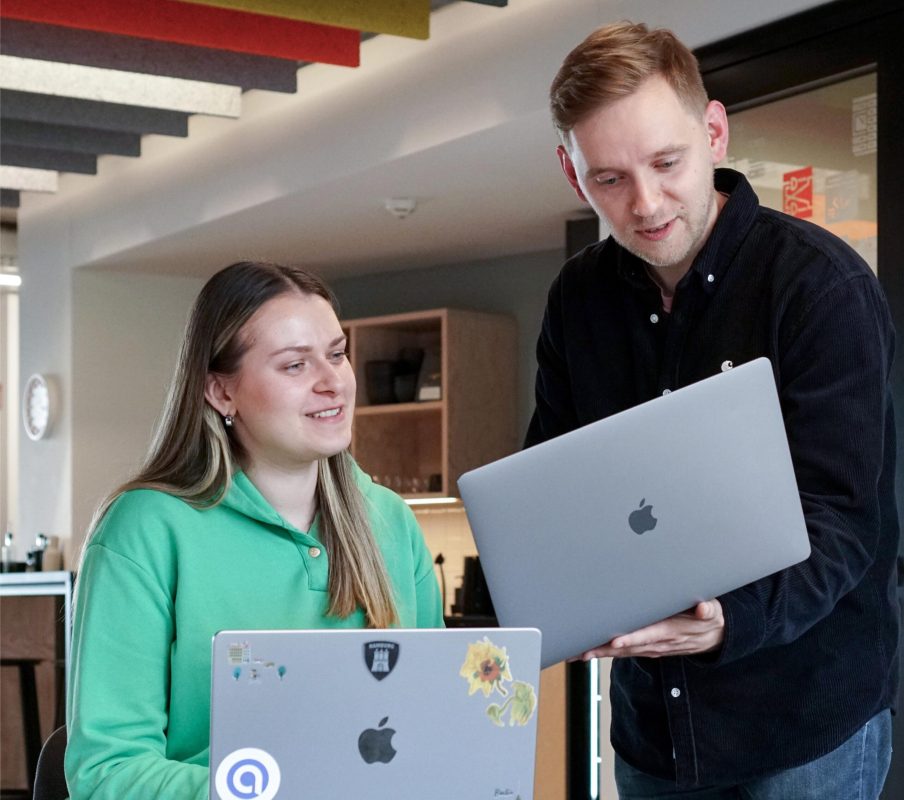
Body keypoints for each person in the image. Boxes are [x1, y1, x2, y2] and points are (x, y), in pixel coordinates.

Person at [526, 21, 898, 799]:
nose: (647, 203)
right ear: (572, 174)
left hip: (802, 726)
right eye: (610, 180)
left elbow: (842, 522)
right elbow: (555, 481)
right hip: (650, 734)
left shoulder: (819, 288)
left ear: (715, 132)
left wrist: (731, 618)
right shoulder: (578, 300)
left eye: (667, 163)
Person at [65, 261, 444, 799]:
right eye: (294, 365)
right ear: (221, 393)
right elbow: (108, 774)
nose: (332, 381)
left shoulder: (390, 521)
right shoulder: (145, 529)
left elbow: (438, 727)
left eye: (336, 354)